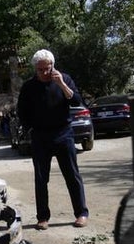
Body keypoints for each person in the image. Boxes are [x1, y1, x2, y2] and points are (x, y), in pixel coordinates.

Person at [16, 49, 89, 230]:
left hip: (63, 134)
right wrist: (30, 128)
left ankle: (81, 213)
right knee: (41, 179)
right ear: (35, 69)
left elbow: (77, 102)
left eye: (47, 69)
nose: (44, 73)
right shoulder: (29, 87)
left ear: (53, 66)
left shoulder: (64, 79)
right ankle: (43, 217)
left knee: (72, 175)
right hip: (40, 137)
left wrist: (63, 85)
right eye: (40, 70)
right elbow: (21, 112)